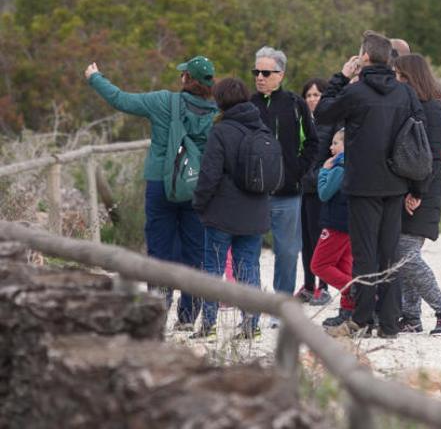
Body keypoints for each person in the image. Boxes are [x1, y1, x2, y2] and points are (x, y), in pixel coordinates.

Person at [84, 57, 218, 330]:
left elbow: (121, 100)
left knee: (159, 249)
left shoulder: (163, 101)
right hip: (197, 186)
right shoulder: (217, 111)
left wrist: (95, 78)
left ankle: (157, 311)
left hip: (161, 182)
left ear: (187, 79)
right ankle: (188, 316)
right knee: (195, 251)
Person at [315, 30, 426, 339]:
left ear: (364, 57)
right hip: (395, 185)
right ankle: (389, 324)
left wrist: (340, 76)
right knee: (388, 253)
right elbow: (418, 140)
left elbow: (323, 113)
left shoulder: (355, 92)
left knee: (364, 256)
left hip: (362, 185)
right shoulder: (405, 93)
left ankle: (362, 319)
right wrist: (417, 189)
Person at [192, 78, 270, 340]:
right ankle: (251, 323)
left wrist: (199, 203)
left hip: (221, 213)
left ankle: (208, 324)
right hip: (255, 211)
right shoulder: (262, 128)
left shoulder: (221, 131)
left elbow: (209, 175)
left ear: (220, 100)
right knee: (248, 268)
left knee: (213, 269)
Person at [249, 46, 318, 327]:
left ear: (281, 74)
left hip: (288, 192)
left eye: (266, 72)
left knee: (288, 252)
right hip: (252, 193)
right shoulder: (248, 104)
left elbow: (313, 142)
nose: (260, 77)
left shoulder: (295, 104)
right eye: (256, 72)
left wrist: (297, 172)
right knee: (249, 251)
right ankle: (250, 309)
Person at [392, 54, 441, 336]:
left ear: (410, 77)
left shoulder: (433, 109)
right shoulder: (416, 105)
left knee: (405, 253)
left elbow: (432, 158)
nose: (395, 80)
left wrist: (417, 192)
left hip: (425, 190)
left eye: (399, 75)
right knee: (406, 253)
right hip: (412, 189)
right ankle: (411, 317)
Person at [310, 129, 355, 328]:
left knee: (318, 265)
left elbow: (324, 193)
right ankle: (348, 311)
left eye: (335, 143)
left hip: (336, 224)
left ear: (346, 146)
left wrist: (324, 171)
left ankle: (354, 290)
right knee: (345, 267)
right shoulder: (355, 163)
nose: (331, 147)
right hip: (349, 224)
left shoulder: (339, 167)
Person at [299, 78, 331, 306]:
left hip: (321, 190)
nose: (312, 99)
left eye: (316, 95)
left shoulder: (330, 124)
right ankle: (309, 285)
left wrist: (314, 177)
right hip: (302, 189)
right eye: (308, 95)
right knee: (306, 240)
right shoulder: (300, 122)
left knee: (321, 238)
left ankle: (324, 286)